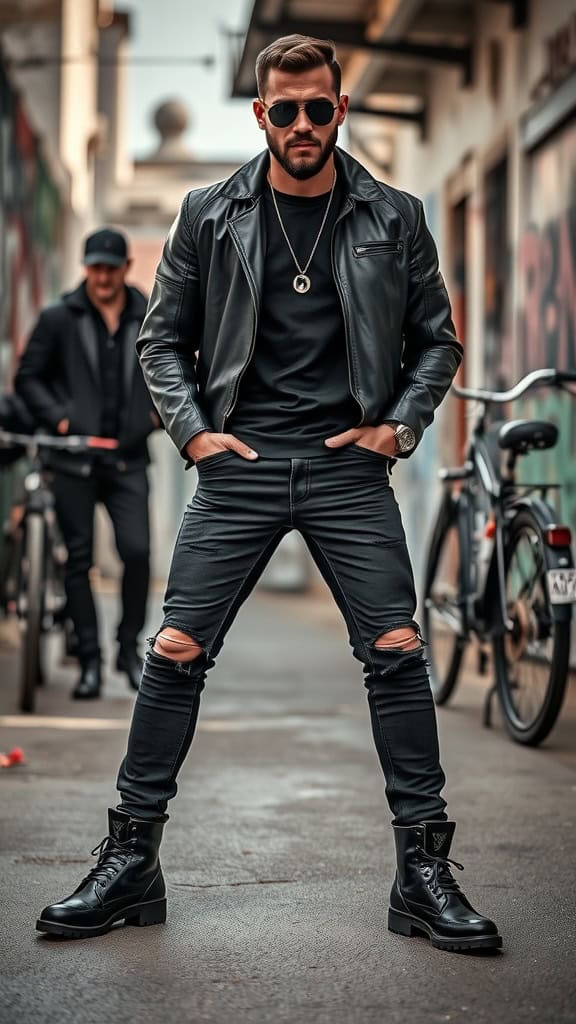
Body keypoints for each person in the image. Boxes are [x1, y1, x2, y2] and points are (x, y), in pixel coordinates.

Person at [36, 36, 502, 952]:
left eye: (317, 109)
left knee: (398, 650)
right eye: (283, 110)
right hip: (241, 464)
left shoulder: (394, 215)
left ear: (339, 108)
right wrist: (196, 433)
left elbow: (436, 340)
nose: (301, 125)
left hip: (346, 465)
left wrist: (398, 425)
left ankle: (423, 869)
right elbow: (162, 341)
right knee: (173, 649)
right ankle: (132, 859)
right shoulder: (210, 214)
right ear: (261, 114)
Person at [15, 228, 159, 699]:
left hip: (127, 460)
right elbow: (28, 378)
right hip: (73, 459)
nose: (101, 276)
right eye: (94, 267)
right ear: (86, 268)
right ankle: (90, 664)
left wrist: (158, 414)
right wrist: (58, 419)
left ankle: (127, 651)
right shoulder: (59, 317)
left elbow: (173, 369)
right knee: (78, 561)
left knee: (136, 553)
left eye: (110, 268)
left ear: (124, 269)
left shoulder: (151, 316)